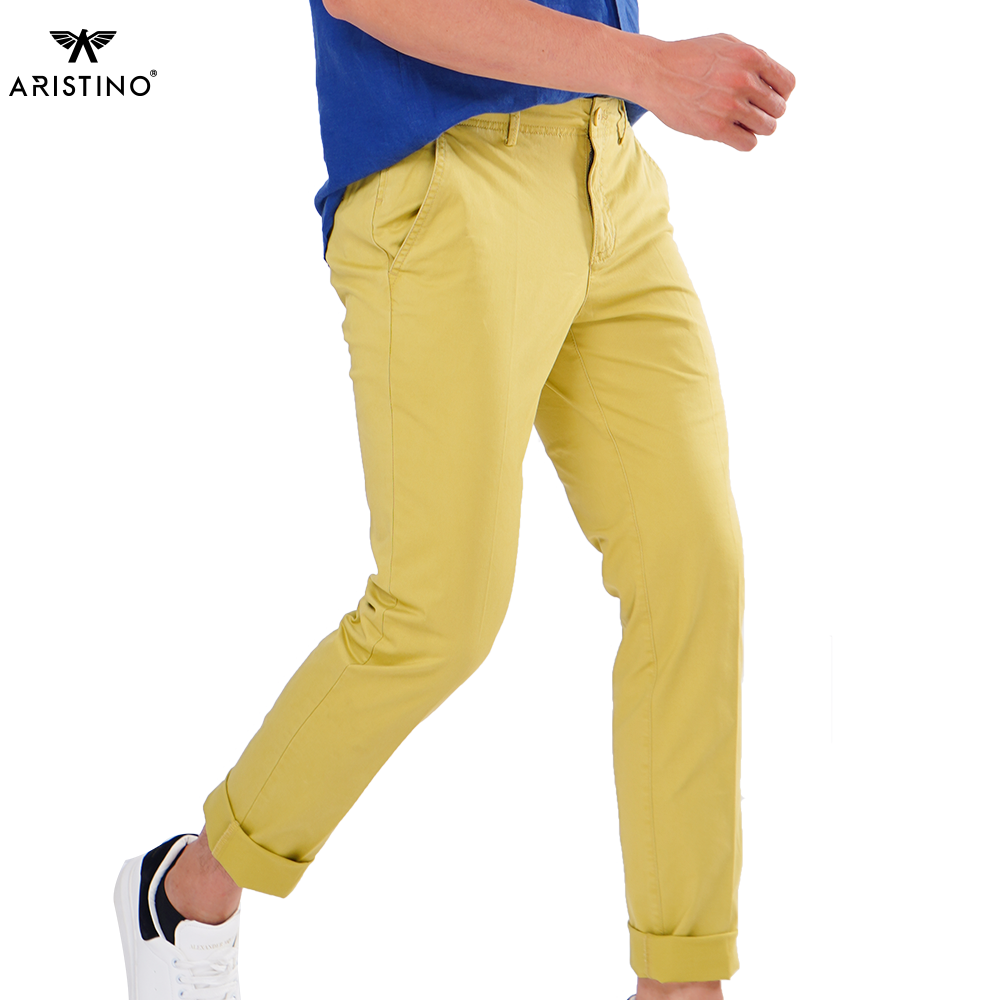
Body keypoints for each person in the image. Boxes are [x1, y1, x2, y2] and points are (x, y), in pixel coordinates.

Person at [113, 1, 796, 998]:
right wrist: (651, 67)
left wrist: (641, 81)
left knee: (694, 569)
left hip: (609, 167)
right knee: (438, 615)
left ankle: (681, 983)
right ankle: (188, 888)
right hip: (448, 179)